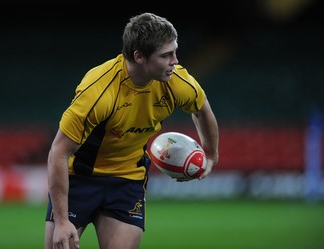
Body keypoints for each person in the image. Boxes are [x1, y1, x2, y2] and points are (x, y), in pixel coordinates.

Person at [44, 12, 219, 249]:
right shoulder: (99, 91)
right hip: (78, 178)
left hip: (127, 180)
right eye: (166, 55)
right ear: (139, 57)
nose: (175, 61)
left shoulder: (177, 82)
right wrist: (62, 221)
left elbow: (202, 109)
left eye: (174, 52)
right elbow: (58, 152)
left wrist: (210, 153)